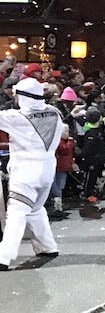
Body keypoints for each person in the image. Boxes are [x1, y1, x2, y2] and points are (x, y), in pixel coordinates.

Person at [0, 76, 65, 271]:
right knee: (36, 210)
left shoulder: (16, 117)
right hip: (47, 171)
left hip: (26, 172)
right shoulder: (55, 112)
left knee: (16, 214)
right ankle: (47, 247)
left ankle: (4, 257)